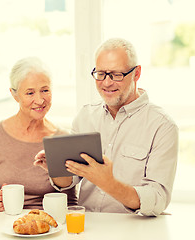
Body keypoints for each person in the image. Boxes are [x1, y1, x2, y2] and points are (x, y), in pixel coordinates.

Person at [34, 38, 178, 216]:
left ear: (137, 73)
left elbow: (158, 199)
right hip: (87, 227)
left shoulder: (162, 126)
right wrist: (55, 168)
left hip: (134, 230)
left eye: (116, 75)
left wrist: (109, 183)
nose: (107, 83)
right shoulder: (85, 116)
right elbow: (69, 180)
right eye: (101, 74)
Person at [0, 57, 77, 211]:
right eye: (30, 93)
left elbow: (71, 203)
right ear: (14, 94)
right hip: (1, 225)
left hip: (45, 226)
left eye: (45, 90)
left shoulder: (62, 139)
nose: (39, 100)